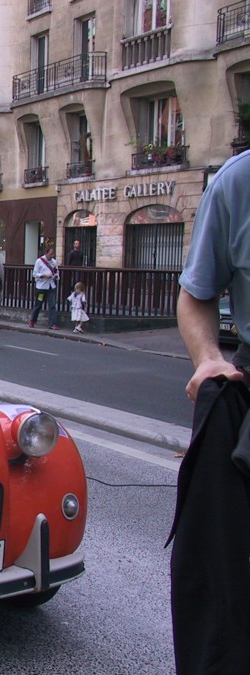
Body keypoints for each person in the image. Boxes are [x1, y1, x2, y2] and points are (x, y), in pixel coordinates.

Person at [172, 150, 250, 673]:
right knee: (217, 576)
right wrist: (208, 359)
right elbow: (195, 294)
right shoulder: (238, 181)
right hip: (247, 388)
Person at [29, 244, 60, 330]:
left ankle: (52, 323)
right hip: (41, 287)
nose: (52, 256)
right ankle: (32, 320)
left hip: (51, 286)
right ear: (46, 253)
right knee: (38, 304)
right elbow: (35, 274)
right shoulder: (39, 261)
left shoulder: (54, 262)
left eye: (53, 254)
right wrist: (44, 275)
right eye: (50, 254)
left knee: (52, 305)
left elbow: (57, 272)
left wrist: (55, 276)